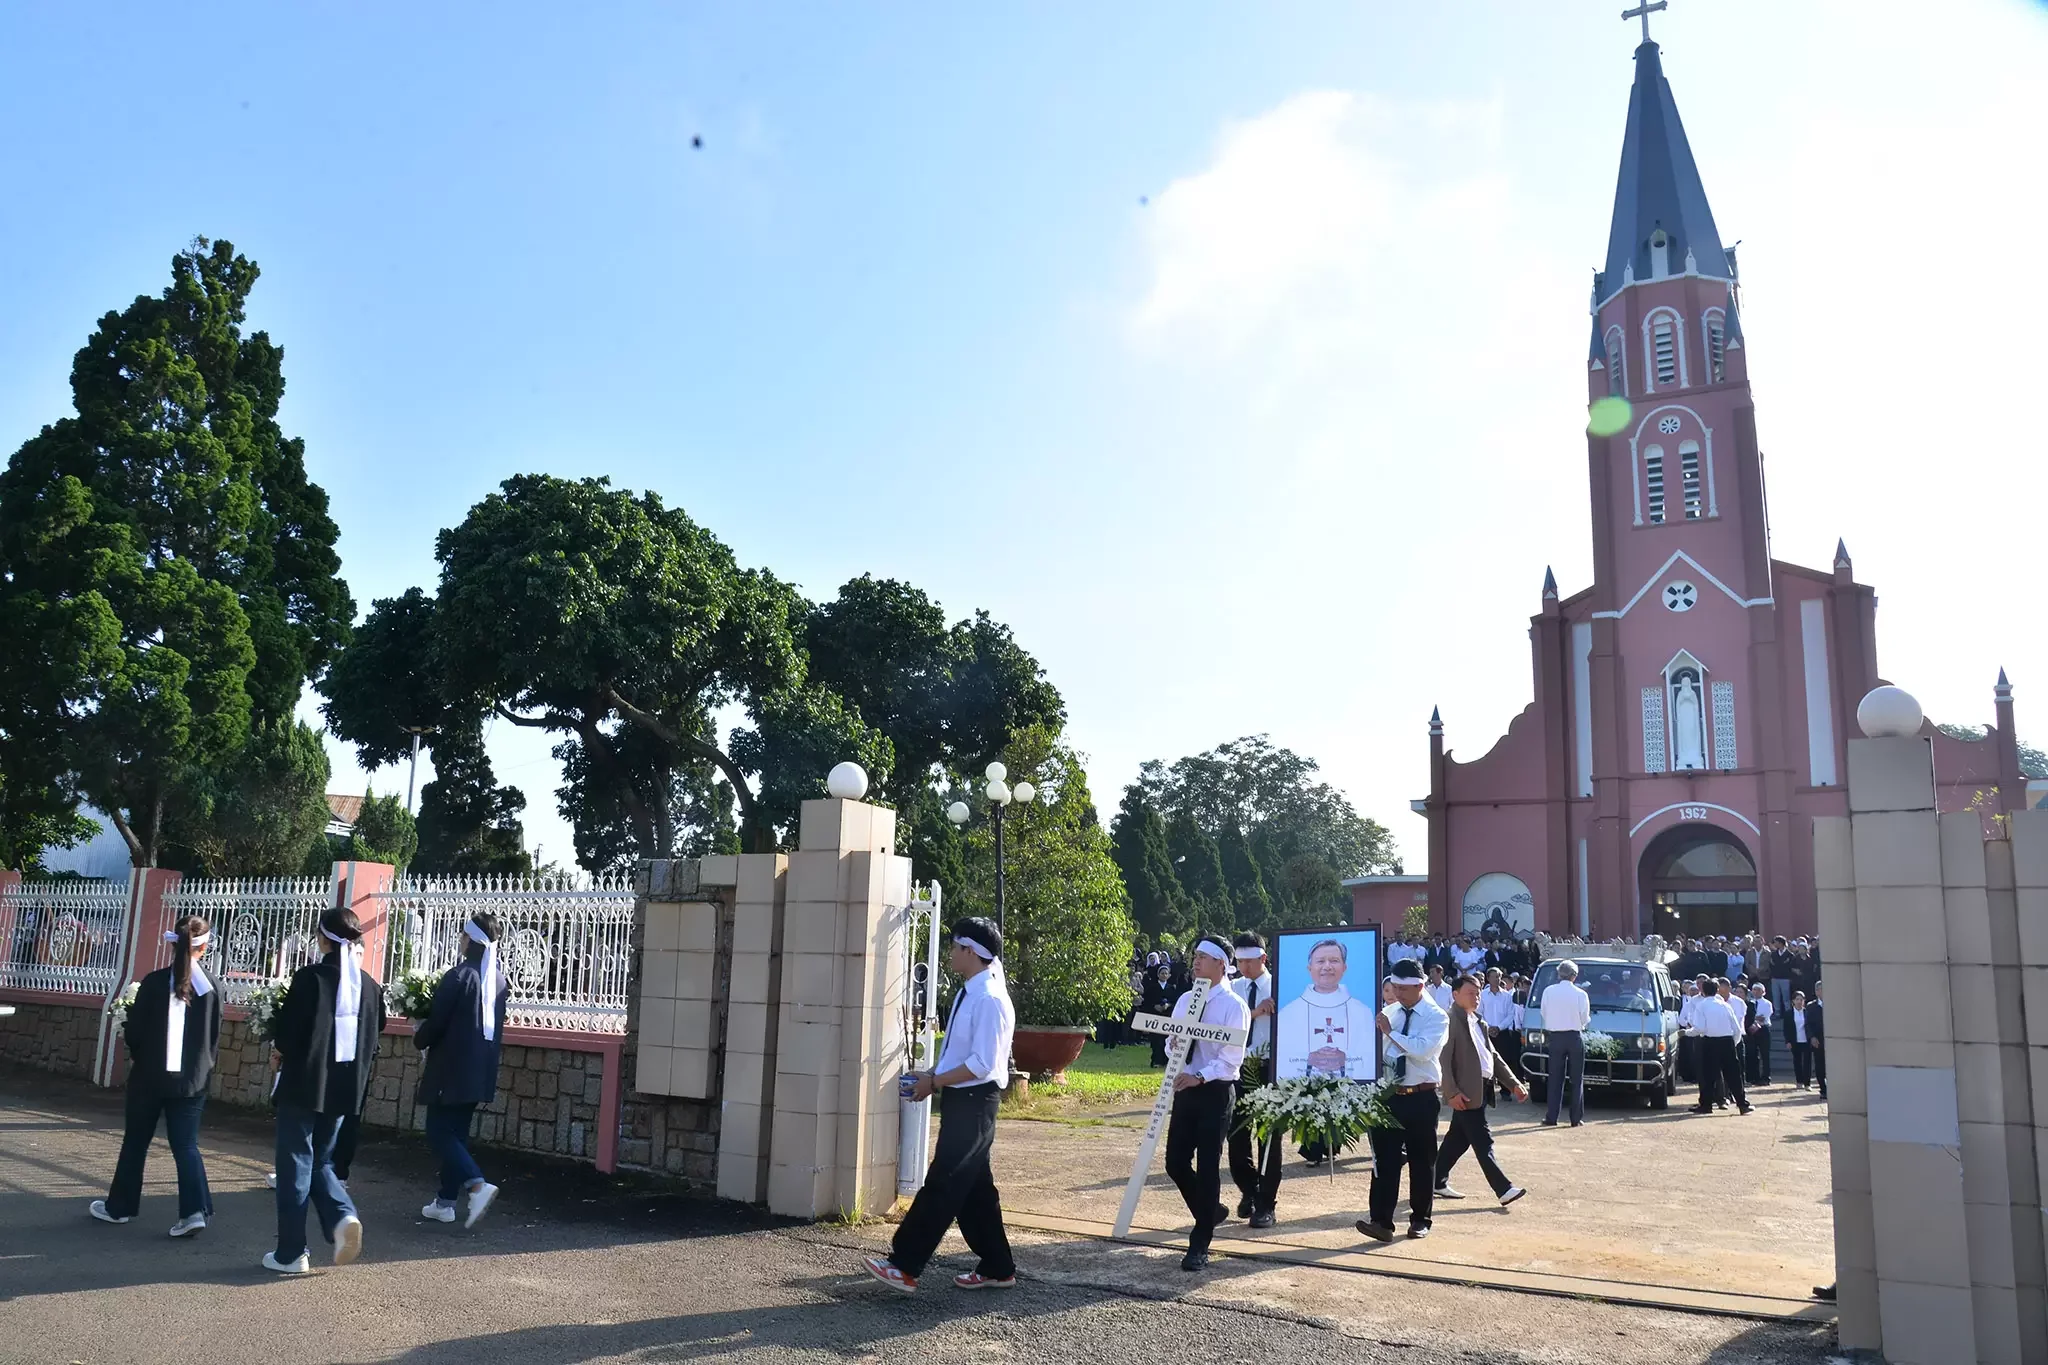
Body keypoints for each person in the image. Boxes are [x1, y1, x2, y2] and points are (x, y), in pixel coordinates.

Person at [865, 916, 1017, 1293]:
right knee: (973, 1189)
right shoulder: (973, 991)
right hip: (963, 1099)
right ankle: (998, 1266)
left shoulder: (989, 999)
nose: (949, 952)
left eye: (955, 946)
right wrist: (933, 1075)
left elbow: (983, 1064)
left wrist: (935, 1081)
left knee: (944, 1181)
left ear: (971, 952)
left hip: (976, 1101)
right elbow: (959, 1053)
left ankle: (905, 1264)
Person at [266, 905, 386, 1274]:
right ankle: (341, 1215)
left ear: (323, 939)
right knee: (319, 1162)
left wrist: (277, 1051)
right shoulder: (369, 986)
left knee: (294, 1167)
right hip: (342, 1091)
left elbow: (288, 1033)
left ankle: (291, 1253)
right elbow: (377, 1030)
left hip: (304, 1085)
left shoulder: (310, 978)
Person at [91, 916, 221, 1236]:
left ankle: (119, 1208)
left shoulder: (152, 982)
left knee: (136, 1142)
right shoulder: (211, 988)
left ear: (173, 943)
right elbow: (213, 1037)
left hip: (149, 1076)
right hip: (192, 1081)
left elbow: (134, 1030)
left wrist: (141, 1054)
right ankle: (193, 1212)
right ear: (204, 948)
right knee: (186, 1145)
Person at [1161, 935, 1252, 1271]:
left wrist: (1199, 1075)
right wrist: (1174, 1046)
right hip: (1186, 1089)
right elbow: (1172, 1048)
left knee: (1209, 1164)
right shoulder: (1185, 1000)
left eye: (1202, 957)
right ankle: (1209, 1210)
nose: (1195, 962)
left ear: (1220, 965)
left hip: (1215, 1092)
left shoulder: (1233, 1006)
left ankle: (1200, 1243)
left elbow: (1231, 1059)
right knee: (1175, 1163)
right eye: (1194, 956)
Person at [414, 911, 510, 1228]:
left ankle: (477, 1184)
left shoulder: (459, 976)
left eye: (462, 936)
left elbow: (438, 1022)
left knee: (439, 1132)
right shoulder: (496, 979)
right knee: (457, 1134)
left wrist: (420, 1034)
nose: (460, 940)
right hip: (478, 1070)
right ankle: (445, 1202)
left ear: (470, 941)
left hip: (450, 1070)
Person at [1354, 959, 1450, 1243]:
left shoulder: (1436, 1015)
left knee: (1422, 1160)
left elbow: (1422, 1050)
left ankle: (1420, 1219)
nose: (1397, 993)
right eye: (1394, 987)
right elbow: (1378, 1051)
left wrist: (1389, 1033)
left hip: (1421, 1095)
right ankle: (1381, 1221)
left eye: (1402, 989)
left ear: (1420, 986)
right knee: (1385, 1161)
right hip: (1390, 1096)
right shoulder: (1390, 1012)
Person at [1435, 974, 1529, 1209]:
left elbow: (1493, 1058)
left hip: (1482, 1089)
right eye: (1470, 992)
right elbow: (1443, 1060)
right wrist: (1451, 1092)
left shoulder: (1478, 1021)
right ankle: (1503, 1189)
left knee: (1458, 1140)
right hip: (1465, 1092)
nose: (1476, 996)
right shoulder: (1450, 1021)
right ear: (1455, 995)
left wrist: (1513, 1083)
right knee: (1482, 1140)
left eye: (1478, 992)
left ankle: (1435, 1179)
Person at [1226, 932, 1281, 1228]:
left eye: (1249, 961)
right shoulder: (1234, 986)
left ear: (1263, 958)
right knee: (1235, 1135)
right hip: (1237, 1066)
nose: (1244, 967)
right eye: (1240, 961)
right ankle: (1249, 1189)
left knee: (1268, 1137)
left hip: (1268, 1067)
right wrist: (1256, 1011)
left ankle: (1266, 1204)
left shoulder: (1279, 985)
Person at [1276, 938, 1377, 1079]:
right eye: (1320, 961)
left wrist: (1346, 1060)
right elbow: (1282, 1056)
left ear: (1344, 967)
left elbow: (1369, 1056)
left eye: (1334, 961)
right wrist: (1309, 1059)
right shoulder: (1289, 1013)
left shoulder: (1362, 1012)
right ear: (1309, 968)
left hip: (1352, 1094)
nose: (1327, 966)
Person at [1538, 961, 1591, 1127]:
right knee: (1576, 1079)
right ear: (1574, 976)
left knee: (1555, 1079)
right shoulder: (1581, 994)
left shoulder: (1548, 991)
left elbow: (1544, 1012)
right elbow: (1585, 1018)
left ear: (1559, 974)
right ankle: (1576, 1118)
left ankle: (1551, 1117)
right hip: (1574, 1036)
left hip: (1555, 1037)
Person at [1690, 976, 1751, 1116]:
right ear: (1717, 990)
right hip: (1727, 1041)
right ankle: (1742, 1104)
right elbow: (1736, 1029)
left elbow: (1699, 1028)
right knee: (1734, 1076)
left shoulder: (1702, 1005)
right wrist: (1733, 1044)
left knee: (1708, 1076)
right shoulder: (1726, 1005)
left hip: (1710, 1042)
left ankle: (1706, 1105)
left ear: (1703, 991)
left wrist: (1687, 1033)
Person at [1477, 968, 1520, 1106]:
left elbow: (1510, 1015)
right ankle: (1485, 1090)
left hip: (1502, 1033)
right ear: (1488, 978)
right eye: (1494, 976)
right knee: (1485, 1059)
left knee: (1504, 1060)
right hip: (1486, 1032)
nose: (1497, 979)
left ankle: (1505, 1091)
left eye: (1499, 976)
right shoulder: (1482, 995)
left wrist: (1499, 1027)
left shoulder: (1507, 996)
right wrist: (1488, 1028)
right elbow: (1479, 1013)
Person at [1784, 990, 1817, 1090]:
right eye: (1797, 999)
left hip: (1806, 1040)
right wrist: (1788, 1041)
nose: (1799, 1001)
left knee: (1807, 1062)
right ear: (1793, 1001)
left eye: (1801, 999)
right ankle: (1799, 1081)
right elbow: (1786, 1028)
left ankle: (1807, 1083)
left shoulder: (1807, 1012)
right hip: (1795, 1040)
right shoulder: (1789, 1013)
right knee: (1797, 1061)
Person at [1746, 982, 1774, 1086]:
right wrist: (1754, 1019)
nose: (1756, 991)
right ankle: (1755, 1077)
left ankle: (1766, 1077)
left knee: (1765, 1054)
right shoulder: (1749, 1002)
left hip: (1763, 1029)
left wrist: (1754, 1019)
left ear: (1763, 992)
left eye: (1758, 989)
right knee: (1753, 1054)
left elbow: (1763, 1017)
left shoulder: (1767, 1003)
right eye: (1754, 989)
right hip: (1752, 1029)